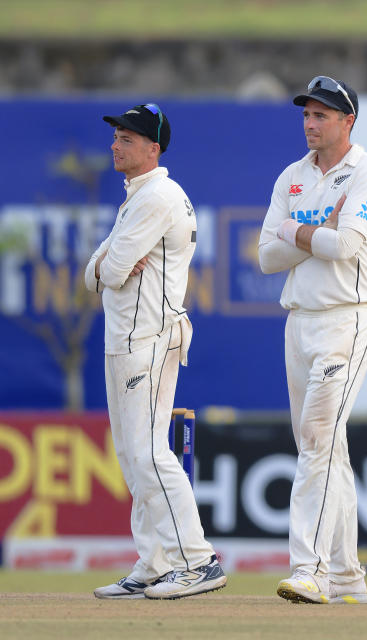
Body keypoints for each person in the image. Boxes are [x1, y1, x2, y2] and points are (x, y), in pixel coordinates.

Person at [85, 103, 226, 599]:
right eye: (117, 136)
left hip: (144, 336)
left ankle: (197, 560)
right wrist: (106, 264)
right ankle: (154, 561)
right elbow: (93, 273)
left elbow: (112, 270)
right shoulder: (139, 197)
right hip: (127, 336)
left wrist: (107, 264)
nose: (115, 145)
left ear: (152, 148)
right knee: (131, 456)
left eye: (126, 138)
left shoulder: (156, 198)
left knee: (147, 452)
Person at [258, 75, 367, 604]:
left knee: (316, 439)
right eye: (306, 115)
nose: (310, 124)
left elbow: (349, 246)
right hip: (300, 320)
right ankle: (348, 576)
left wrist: (293, 231)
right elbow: (267, 255)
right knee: (325, 447)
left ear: (347, 121)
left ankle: (310, 570)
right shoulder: (292, 176)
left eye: (322, 116)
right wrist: (306, 232)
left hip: (348, 319)